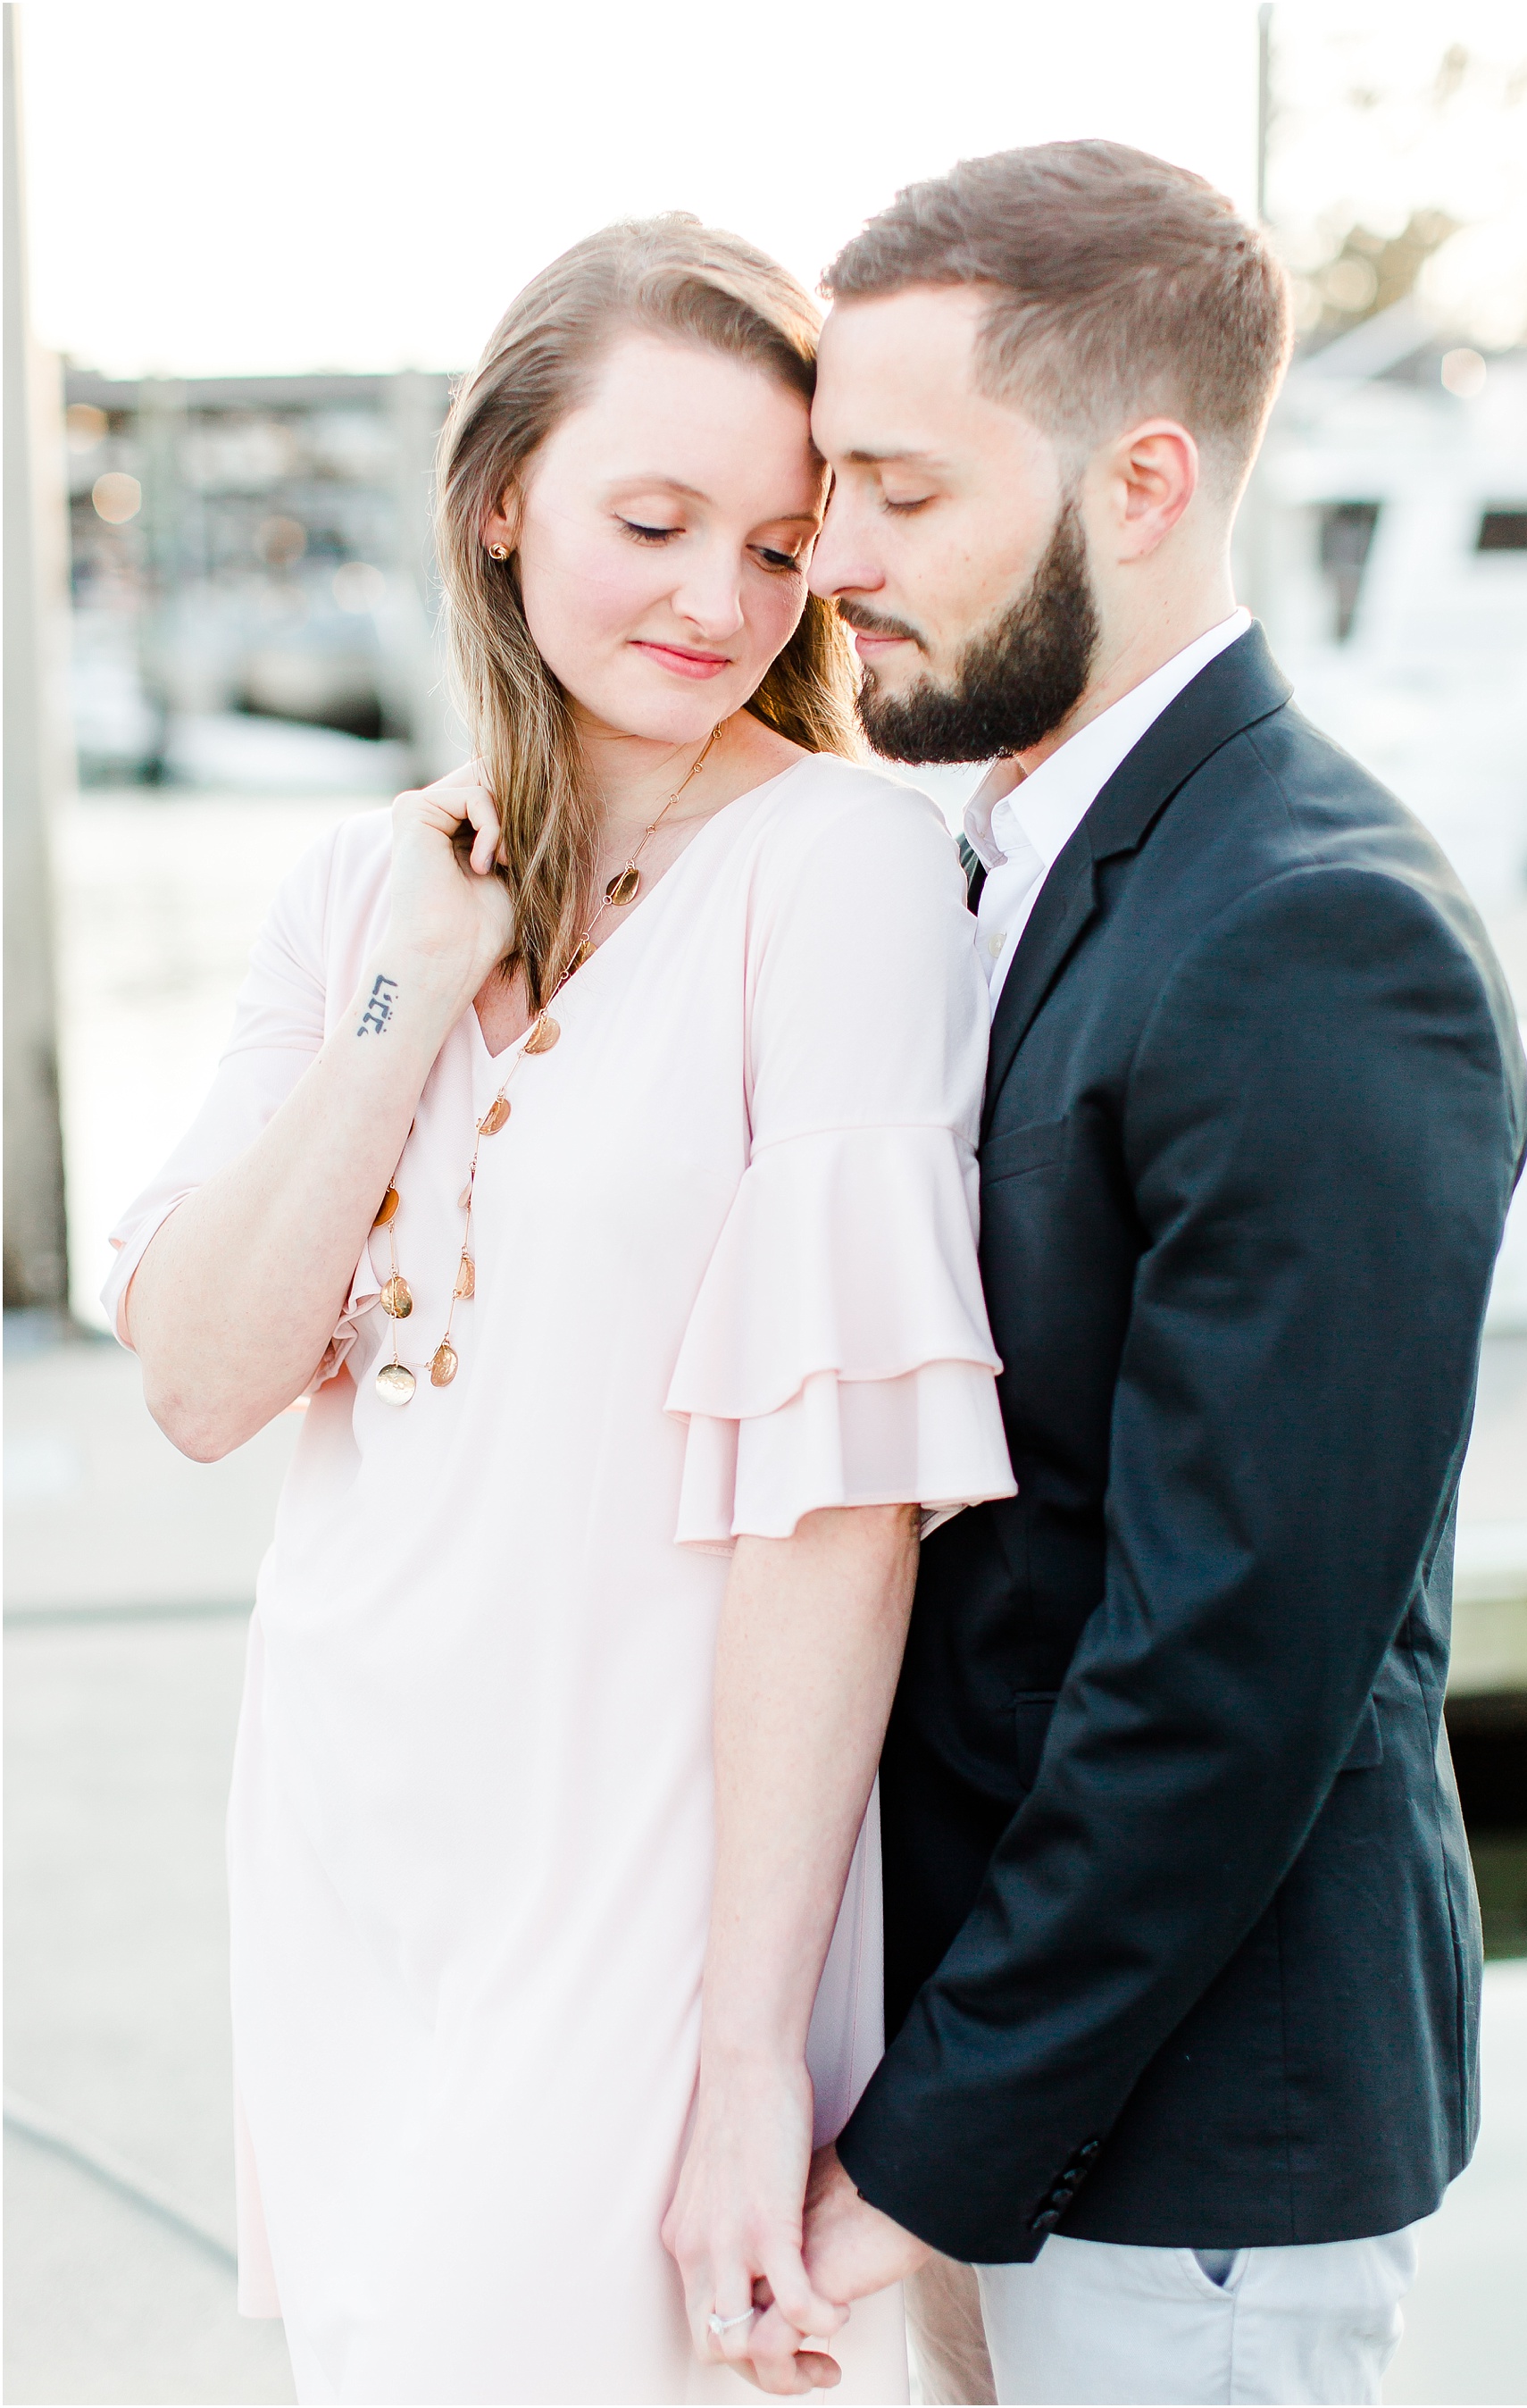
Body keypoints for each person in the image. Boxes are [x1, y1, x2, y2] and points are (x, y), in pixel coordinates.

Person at [106, 216, 1015, 2405]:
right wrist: (405, 999)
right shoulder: (360, 891)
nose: (718, 600)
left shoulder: (849, 871)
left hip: (650, 1873)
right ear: (501, 498)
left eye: (781, 546)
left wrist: (745, 2065)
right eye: (653, 520)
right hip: (361, 1845)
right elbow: (212, 1381)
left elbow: (845, 1507)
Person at [745, 141, 1524, 2406]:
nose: (837, 559)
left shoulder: (1313, 933)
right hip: (990, 2097)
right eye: (832, 484)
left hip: (1183, 2154)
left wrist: (924, 2154)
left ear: (1147, 479)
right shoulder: (990, 855)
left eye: (898, 487)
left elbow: (1226, 1668)